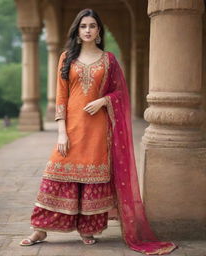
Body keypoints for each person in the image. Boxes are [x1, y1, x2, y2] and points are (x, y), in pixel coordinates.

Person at [19, 8, 178, 255]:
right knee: (56, 174)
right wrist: (61, 131)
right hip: (71, 127)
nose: (88, 30)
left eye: (92, 26)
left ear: (99, 31)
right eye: (83, 26)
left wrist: (104, 101)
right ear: (77, 30)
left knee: (92, 178)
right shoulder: (66, 58)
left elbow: (121, 94)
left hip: (97, 129)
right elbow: (61, 96)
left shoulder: (109, 60)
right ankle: (40, 229)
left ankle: (87, 229)